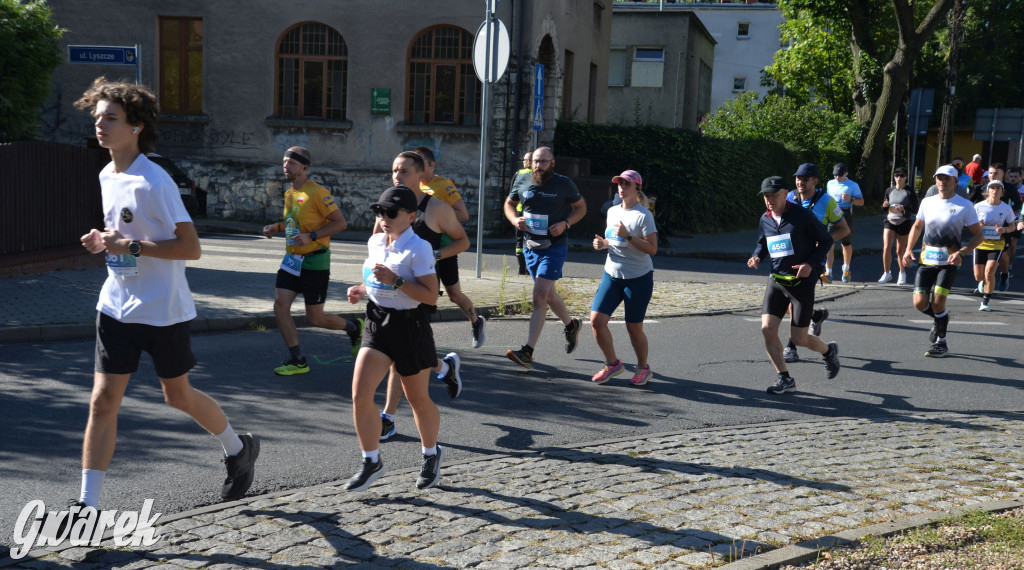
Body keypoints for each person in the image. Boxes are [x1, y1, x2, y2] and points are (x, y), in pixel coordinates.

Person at [73, 77, 258, 511]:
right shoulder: (106, 173)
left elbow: (191, 248)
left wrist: (130, 246)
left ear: (136, 126)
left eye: (111, 118)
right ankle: (88, 506)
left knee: (177, 396)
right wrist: (104, 240)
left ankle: (238, 447)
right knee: (102, 402)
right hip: (116, 304)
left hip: (163, 311)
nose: (101, 125)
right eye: (98, 117)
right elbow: (124, 233)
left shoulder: (154, 180)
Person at [344, 186, 446, 491]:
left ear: (411, 216)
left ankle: (431, 454)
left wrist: (397, 280)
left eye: (391, 213)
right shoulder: (375, 241)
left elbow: (430, 297)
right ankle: (371, 461)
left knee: (417, 399)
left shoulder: (420, 248)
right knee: (360, 395)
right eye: (379, 211)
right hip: (377, 323)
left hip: (409, 327)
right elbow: (375, 279)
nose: (383, 217)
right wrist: (360, 289)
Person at [378, 152, 465, 441]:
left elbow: (462, 240)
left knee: (401, 356)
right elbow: (377, 244)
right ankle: (444, 367)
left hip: (419, 293)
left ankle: (387, 417)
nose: (397, 176)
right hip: (390, 292)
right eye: (394, 170)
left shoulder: (436, 208)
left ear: (420, 176)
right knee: (405, 354)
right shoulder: (389, 204)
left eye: (403, 171)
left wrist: (436, 254)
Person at [261, 146, 360, 376]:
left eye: (291, 163)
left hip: (315, 261)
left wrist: (312, 236)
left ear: (304, 167)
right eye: (284, 162)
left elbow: (340, 223)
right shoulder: (289, 194)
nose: (286, 166)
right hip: (291, 261)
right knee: (280, 306)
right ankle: (298, 360)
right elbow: (295, 224)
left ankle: (354, 327)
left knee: (315, 318)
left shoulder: (318, 193)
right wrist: (276, 227)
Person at [748, 176, 841, 395]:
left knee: (799, 339)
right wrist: (756, 257)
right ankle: (785, 378)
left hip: (801, 284)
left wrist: (810, 263)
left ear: (785, 194)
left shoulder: (802, 216)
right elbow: (763, 243)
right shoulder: (765, 219)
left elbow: (826, 240)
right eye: (766, 196)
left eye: (773, 195)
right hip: (777, 281)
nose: (769, 200)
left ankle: (829, 351)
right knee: (767, 329)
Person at [504, 146, 587, 369]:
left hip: (555, 246)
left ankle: (527, 352)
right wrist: (514, 220)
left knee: (540, 295)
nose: (538, 166)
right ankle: (571, 326)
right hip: (531, 246)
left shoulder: (563, 183)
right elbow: (509, 204)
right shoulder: (522, 181)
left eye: (543, 162)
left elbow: (581, 207)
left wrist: (566, 223)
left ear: (553, 163)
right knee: (549, 296)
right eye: (535, 161)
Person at [902, 165, 984, 357]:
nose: (942, 182)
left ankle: (942, 343)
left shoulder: (965, 205)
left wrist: (961, 253)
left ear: (955, 181)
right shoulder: (927, 202)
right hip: (926, 260)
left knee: (938, 303)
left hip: (949, 263)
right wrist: (907, 249)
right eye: (939, 178)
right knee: (919, 303)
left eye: (947, 178)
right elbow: (917, 226)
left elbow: (978, 236)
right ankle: (939, 320)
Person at [589, 170, 658, 386]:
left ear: (637, 188)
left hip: (638, 278)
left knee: (633, 327)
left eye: (626, 184)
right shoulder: (611, 211)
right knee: (597, 321)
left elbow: (652, 249)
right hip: (612, 275)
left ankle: (643, 368)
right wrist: (604, 244)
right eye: (619, 183)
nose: (621, 187)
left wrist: (629, 235)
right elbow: (615, 241)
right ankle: (613, 364)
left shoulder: (643, 215)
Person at [412, 146, 486, 348]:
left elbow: (463, 214)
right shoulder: (411, 187)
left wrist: (438, 216)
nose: (416, 167)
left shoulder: (443, 185)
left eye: (421, 163)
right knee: (423, 297)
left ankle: (476, 321)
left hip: (444, 250)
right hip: (420, 253)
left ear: (431, 165)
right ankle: (421, 343)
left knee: (454, 295)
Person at [782, 163, 849, 363]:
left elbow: (844, 229)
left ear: (815, 181)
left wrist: (824, 240)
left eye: (805, 178)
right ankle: (816, 316)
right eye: (798, 178)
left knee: (794, 299)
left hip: (812, 261)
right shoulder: (789, 198)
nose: (800, 182)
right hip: (790, 258)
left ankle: (791, 347)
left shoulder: (827, 201)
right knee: (787, 301)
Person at [972, 180, 1016, 311]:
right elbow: (970, 225)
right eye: (992, 188)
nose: (995, 190)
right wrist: (977, 226)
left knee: (989, 271)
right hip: (980, 243)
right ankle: (983, 282)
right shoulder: (978, 206)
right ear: (988, 191)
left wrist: (1004, 230)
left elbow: (1012, 226)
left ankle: (985, 302)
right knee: (979, 276)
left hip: (997, 244)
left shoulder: (1006, 208)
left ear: (1002, 192)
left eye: (998, 188)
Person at [879, 167, 919, 284]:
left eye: (901, 176)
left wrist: (904, 208)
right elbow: (884, 208)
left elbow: (916, 209)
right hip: (890, 221)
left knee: (899, 251)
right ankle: (886, 273)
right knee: (886, 247)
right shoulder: (889, 190)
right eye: (896, 176)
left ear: (906, 177)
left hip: (903, 222)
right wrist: (885, 205)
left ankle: (902, 273)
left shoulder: (910, 192)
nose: (899, 178)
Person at [825, 162, 864, 282]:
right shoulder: (830, 183)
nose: (837, 177)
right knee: (828, 242)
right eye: (835, 175)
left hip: (845, 214)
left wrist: (850, 199)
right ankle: (828, 272)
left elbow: (861, 202)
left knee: (845, 243)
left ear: (846, 174)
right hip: (832, 213)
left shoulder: (853, 185)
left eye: (840, 175)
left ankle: (846, 269)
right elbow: (826, 198)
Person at [991, 164, 1022, 290]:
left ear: (1021, 177)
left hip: (1014, 220)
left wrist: (1008, 212)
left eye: (1016, 176)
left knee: (1011, 244)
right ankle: (990, 272)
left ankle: (1007, 268)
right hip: (992, 223)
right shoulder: (988, 187)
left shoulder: (1010, 188)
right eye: (1011, 176)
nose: (1013, 178)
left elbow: (1019, 205)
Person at [514, 151, 533, 275]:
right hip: (532, 211)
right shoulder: (540, 174)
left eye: (525, 160)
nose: (523, 162)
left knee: (519, 240)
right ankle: (530, 268)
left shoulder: (519, 174)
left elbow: (512, 193)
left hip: (520, 211)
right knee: (532, 238)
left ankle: (521, 269)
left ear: (529, 161)